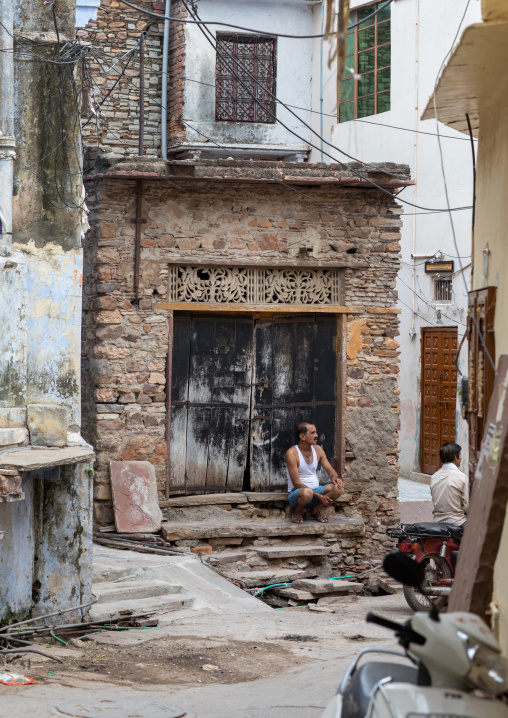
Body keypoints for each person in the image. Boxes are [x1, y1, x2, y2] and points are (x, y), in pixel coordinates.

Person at [285, 422, 344, 524]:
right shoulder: (292, 453)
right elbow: (297, 483)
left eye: (316, 432)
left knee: (338, 488)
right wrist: (319, 496)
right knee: (307, 492)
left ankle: (314, 510)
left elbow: (330, 470)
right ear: (302, 436)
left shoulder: (318, 449)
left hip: (315, 491)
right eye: (312, 433)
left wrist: (335, 478)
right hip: (298, 494)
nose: (316, 435)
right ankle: (298, 512)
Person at [430, 442, 469, 527]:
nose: (461, 458)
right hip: (458, 522)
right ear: (455, 457)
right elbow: (467, 506)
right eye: (460, 455)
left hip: (438, 522)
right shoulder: (462, 477)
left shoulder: (434, 477)